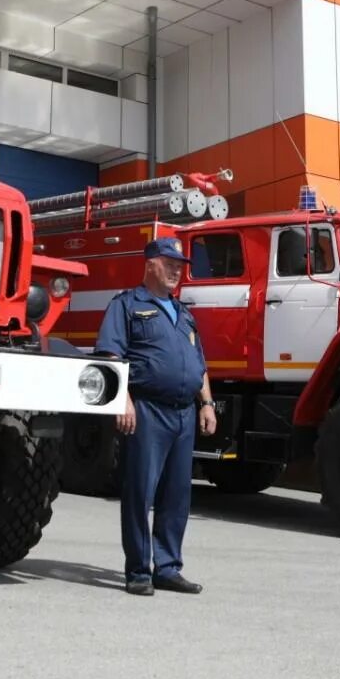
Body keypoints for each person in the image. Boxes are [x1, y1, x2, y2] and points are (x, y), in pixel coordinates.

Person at [94, 236, 214, 596]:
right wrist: (124, 400)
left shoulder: (185, 314)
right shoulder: (127, 305)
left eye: (181, 266)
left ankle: (167, 567)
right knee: (140, 491)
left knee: (177, 495)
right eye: (170, 263)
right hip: (146, 409)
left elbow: (198, 364)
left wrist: (206, 403)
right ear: (150, 264)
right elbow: (111, 355)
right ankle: (138, 571)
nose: (177, 270)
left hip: (184, 414)